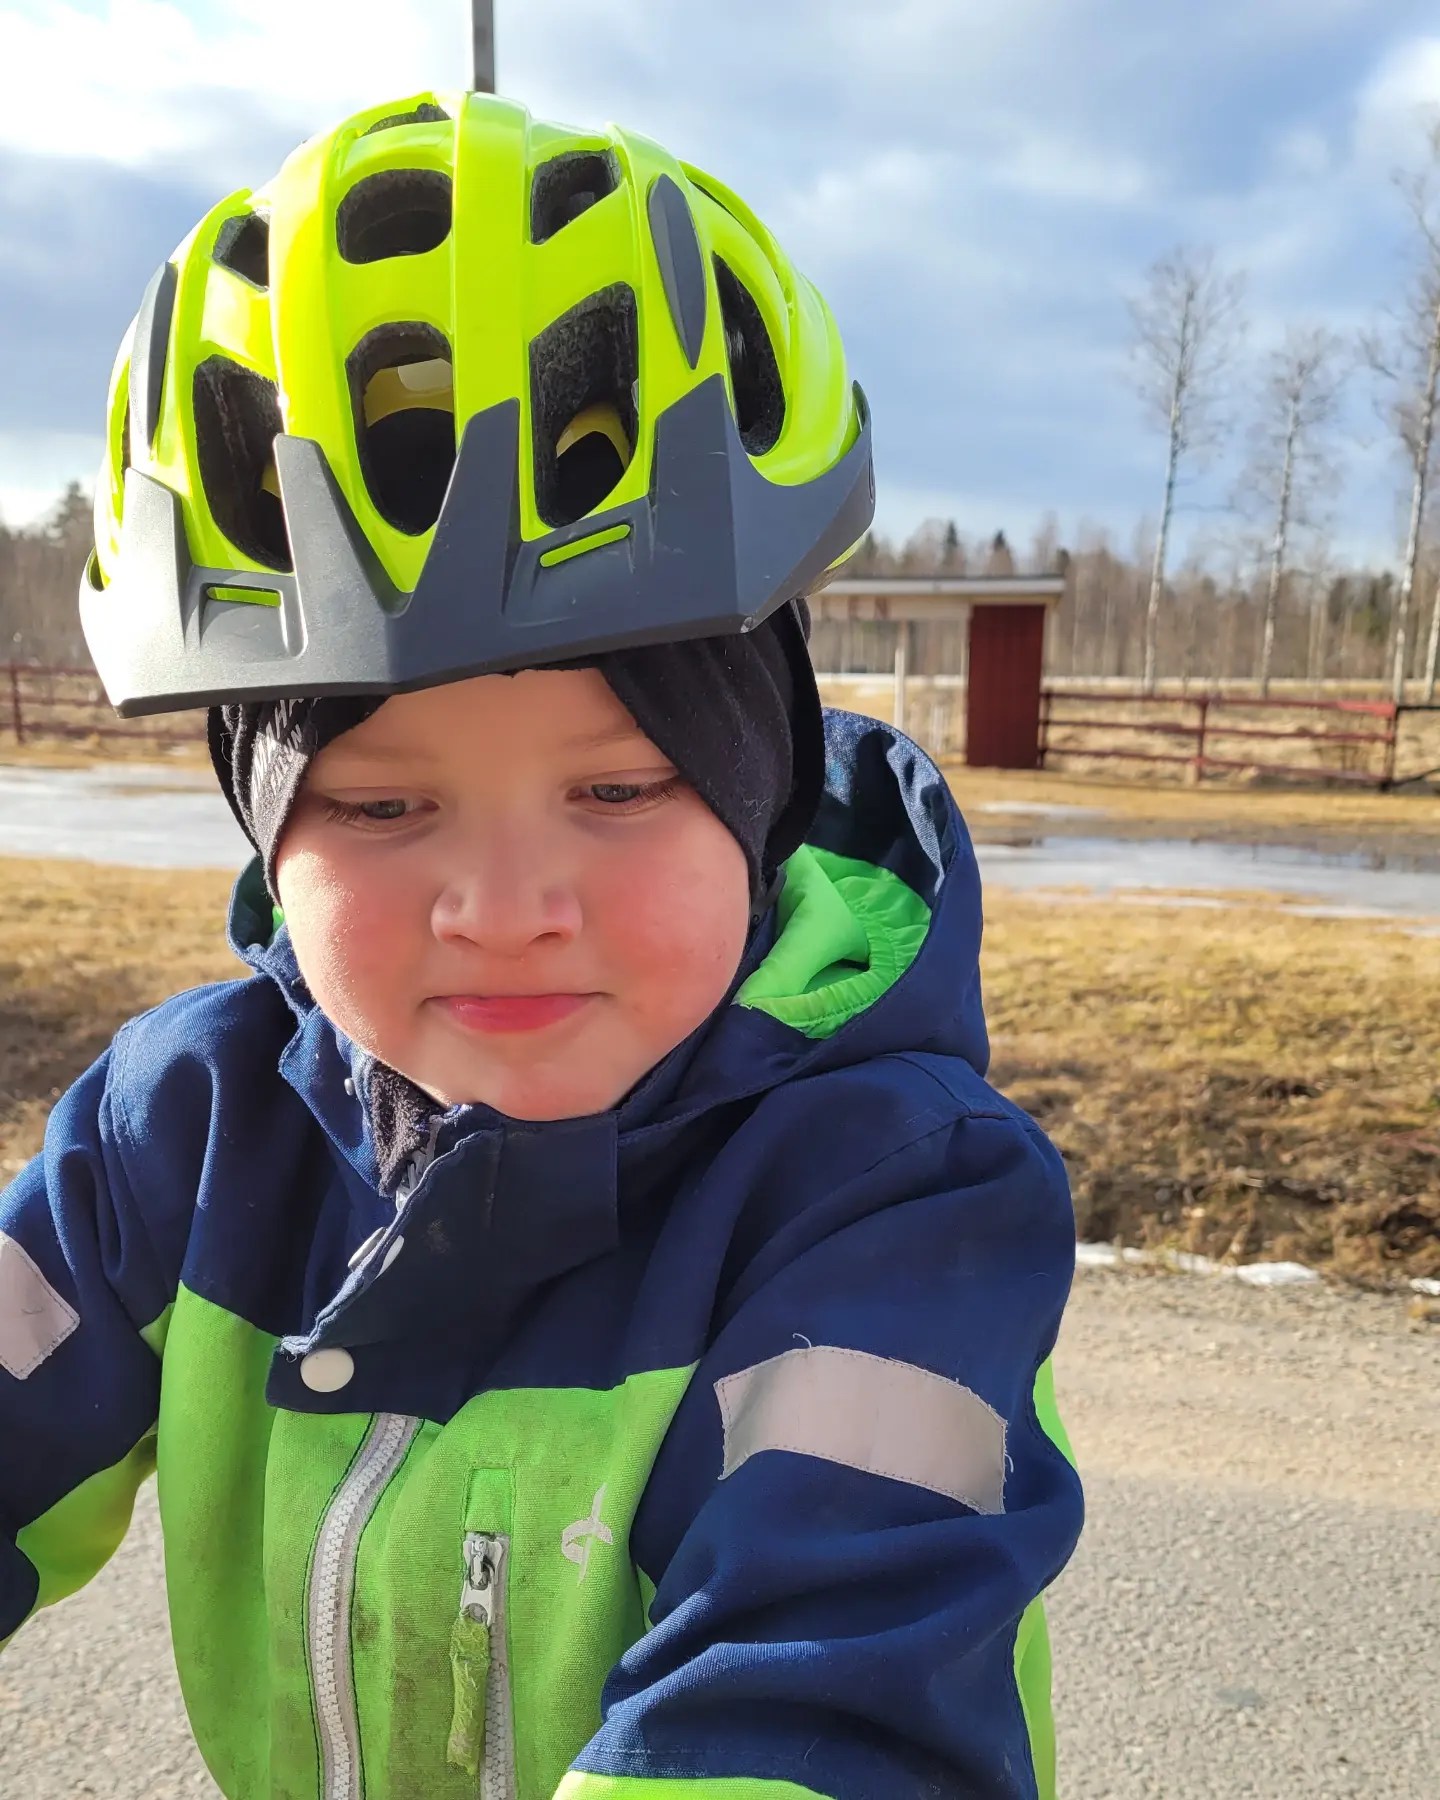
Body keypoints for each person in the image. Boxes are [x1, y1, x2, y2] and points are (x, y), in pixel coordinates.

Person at [0, 90, 1083, 1800]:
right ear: (265, 835)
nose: (504, 908)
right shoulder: (187, 1134)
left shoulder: (894, 1201)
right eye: (381, 806)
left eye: (620, 786)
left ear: (759, 795)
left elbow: (814, 1707)